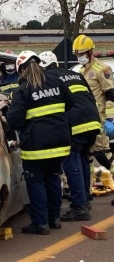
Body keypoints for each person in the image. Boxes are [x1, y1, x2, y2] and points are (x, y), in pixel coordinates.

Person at [6, 50, 73, 235]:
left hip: (37, 146)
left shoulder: (23, 88)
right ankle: (54, 219)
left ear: (21, 70)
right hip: (60, 142)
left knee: (36, 182)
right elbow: (70, 103)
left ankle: (40, 224)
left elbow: (14, 120)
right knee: (52, 178)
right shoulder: (56, 82)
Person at [39, 51, 101, 221]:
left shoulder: (48, 79)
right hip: (93, 121)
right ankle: (84, 199)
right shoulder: (74, 74)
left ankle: (79, 208)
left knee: (71, 163)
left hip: (75, 124)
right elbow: (90, 96)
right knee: (82, 160)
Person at [72, 34, 114, 192]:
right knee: (87, 157)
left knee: (104, 156)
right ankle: (86, 192)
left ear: (90, 52)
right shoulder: (80, 72)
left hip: (100, 120)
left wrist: (110, 119)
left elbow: (110, 94)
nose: (79, 57)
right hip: (85, 121)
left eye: (81, 54)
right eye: (77, 54)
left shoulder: (102, 69)